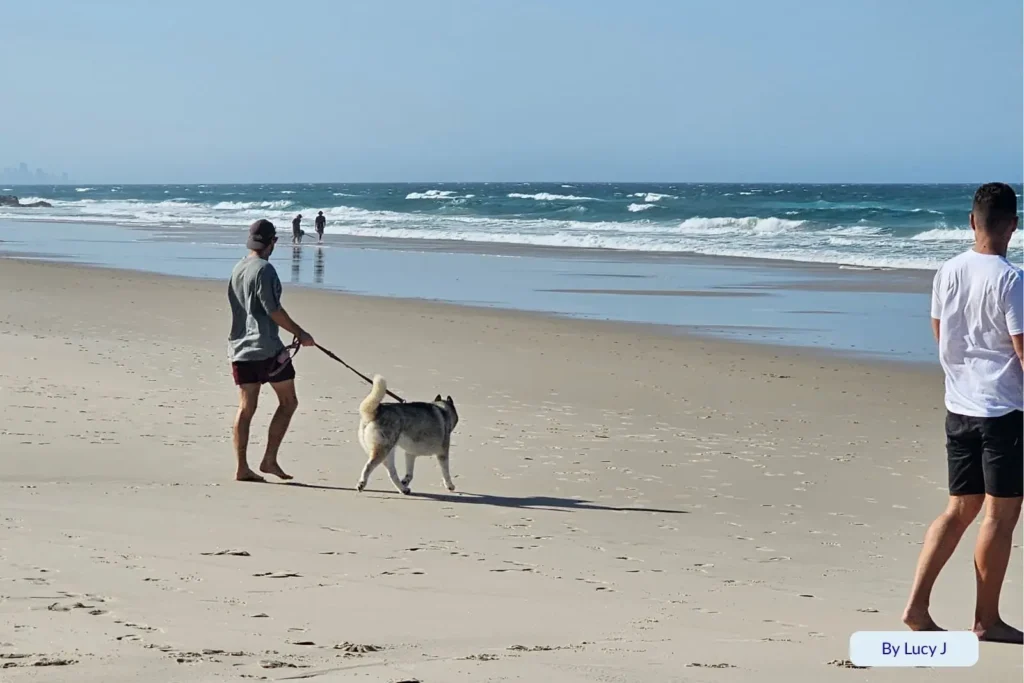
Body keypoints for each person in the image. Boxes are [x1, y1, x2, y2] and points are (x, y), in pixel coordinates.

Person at [903, 182, 1023, 643]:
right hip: (1003, 410)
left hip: (960, 406)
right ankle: (986, 620)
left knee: (959, 509)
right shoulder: (1011, 280)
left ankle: (917, 604)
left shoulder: (947, 271)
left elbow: (942, 337)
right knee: (999, 515)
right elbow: (1021, 351)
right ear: (1013, 225)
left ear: (972, 221)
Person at [227, 219, 315, 482]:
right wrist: (300, 333)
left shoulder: (239, 267)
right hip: (266, 349)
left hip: (240, 347)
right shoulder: (265, 270)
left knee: (246, 408)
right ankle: (268, 460)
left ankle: (242, 467)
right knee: (289, 402)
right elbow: (273, 309)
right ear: (272, 242)